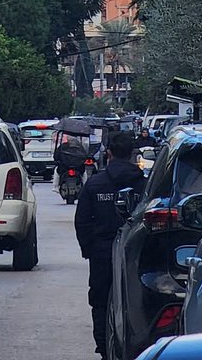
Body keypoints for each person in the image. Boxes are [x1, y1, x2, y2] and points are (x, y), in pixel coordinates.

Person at [74, 132, 145, 359]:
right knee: (139, 301)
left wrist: (89, 250)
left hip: (102, 253)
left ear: (109, 153)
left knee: (100, 301)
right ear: (132, 153)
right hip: (138, 254)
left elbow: (82, 221)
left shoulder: (95, 184)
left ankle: (104, 348)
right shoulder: (145, 185)